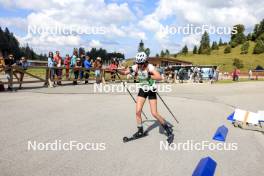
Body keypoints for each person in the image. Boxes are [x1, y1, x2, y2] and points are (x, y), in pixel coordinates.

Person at [117, 52, 173, 143]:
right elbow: (124, 72)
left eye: (141, 63)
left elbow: (159, 77)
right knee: (138, 111)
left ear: (145, 62)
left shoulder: (150, 67)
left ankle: (169, 131)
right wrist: (116, 70)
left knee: (154, 113)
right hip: (143, 90)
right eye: (138, 63)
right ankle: (140, 131)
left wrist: (149, 75)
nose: (140, 65)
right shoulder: (136, 67)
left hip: (151, 90)